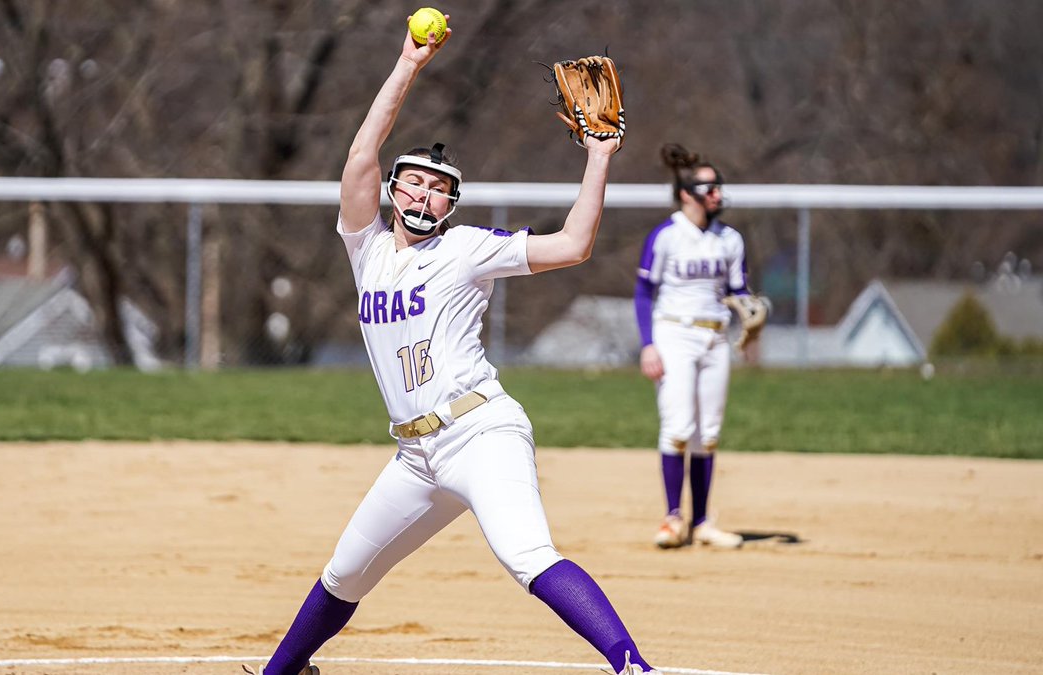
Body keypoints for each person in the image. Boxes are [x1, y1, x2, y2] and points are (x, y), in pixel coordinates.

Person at [244, 20, 662, 675]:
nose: (422, 192)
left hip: (480, 430)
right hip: (415, 454)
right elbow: (359, 156)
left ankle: (633, 665)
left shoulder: (466, 249)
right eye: (412, 181)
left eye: (438, 187)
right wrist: (408, 64)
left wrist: (598, 157)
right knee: (344, 572)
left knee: (527, 554)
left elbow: (573, 244)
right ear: (392, 191)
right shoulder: (369, 250)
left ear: (450, 204)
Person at [634, 143, 753, 550]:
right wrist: (649, 345)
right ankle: (672, 519)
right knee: (680, 426)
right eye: (709, 187)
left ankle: (700, 522)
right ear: (687, 194)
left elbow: (739, 292)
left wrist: (752, 315)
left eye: (718, 186)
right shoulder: (666, 236)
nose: (717, 194)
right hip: (674, 334)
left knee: (709, 433)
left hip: (715, 336)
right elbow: (643, 292)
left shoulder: (730, 239)